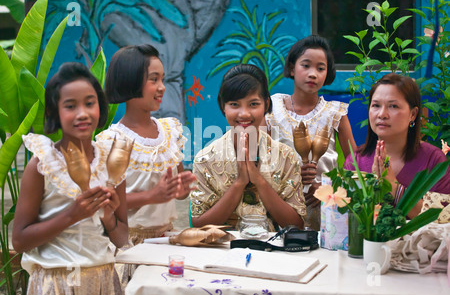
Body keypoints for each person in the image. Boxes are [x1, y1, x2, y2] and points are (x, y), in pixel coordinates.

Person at [12, 62, 128, 295]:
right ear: (55, 112)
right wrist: (72, 215)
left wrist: (108, 216)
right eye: (70, 106)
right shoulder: (42, 165)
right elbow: (20, 241)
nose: (82, 113)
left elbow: (122, 238)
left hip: (102, 280)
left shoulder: (112, 163)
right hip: (55, 283)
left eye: (89, 103)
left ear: (100, 107)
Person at [96, 44, 196, 242]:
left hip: (166, 240)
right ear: (130, 81)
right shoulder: (113, 141)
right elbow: (107, 203)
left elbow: (177, 190)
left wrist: (181, 191)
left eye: (163, 79)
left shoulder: (170, 131)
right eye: (154, 79)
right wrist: (151, 196)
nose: (162, 87)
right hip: (128, 244)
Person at [190, 64, 306, 231]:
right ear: (223, 106)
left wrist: (258, 179)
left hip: (272, 250)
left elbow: (297, 224)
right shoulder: (205, 159)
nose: (244, 113)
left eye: (253, 104)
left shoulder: (286, 156)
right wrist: (239, 183)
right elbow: (198, 224)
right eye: (234, 104)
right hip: (222, 250)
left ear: (266, 105)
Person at [264, 35, 356, 230]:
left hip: (324, 211)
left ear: (327, 74)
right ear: (291, 68)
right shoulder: (272, 107)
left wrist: (328, 188)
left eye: (320, 68)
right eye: (306, 65)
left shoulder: (335, 112)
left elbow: (354, 167)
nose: (313, 74)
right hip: (280, 206)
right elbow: (260, 160)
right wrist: (292, 178)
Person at [344, 73, 450, 219]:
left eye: (393, 106)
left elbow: (443, 217)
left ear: (413, 114)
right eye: (375, 105)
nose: (382, 114)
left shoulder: (433, 160)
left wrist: (394, 188)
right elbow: (345, 216)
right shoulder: (356, 160)